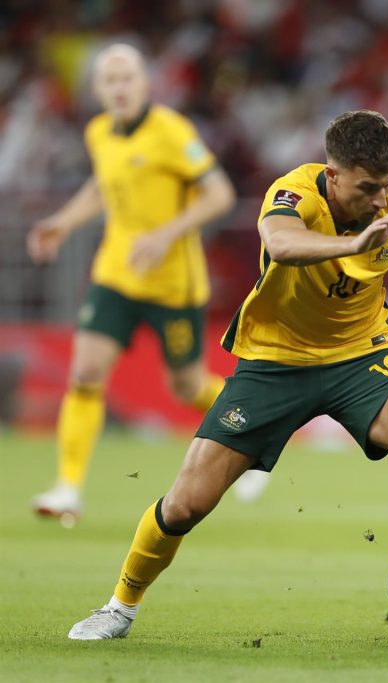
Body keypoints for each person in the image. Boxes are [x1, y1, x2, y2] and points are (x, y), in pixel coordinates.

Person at [67, 110, 388, 640]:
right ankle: (119, 606)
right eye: (368, 188)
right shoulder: (294, 192)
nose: (379, 201)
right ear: (332, 175)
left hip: (359, 355)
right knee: (186, 504)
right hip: (273, 363)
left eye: (387, 187)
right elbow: (281, 244)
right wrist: (355, 244)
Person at [26, 44, 237, 522]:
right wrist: (61, 223)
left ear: (145, 83)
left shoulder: (172, 131)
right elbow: (104, 185)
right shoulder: (98, 132)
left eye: (127, 78)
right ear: (98, 89)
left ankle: (252, 421)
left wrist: (166, 235)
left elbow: (220, 193)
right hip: (116, 274)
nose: (119, 88)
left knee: (185, 387)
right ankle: (67, 489)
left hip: (173, 284)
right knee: (84, 373)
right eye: (110, 80)